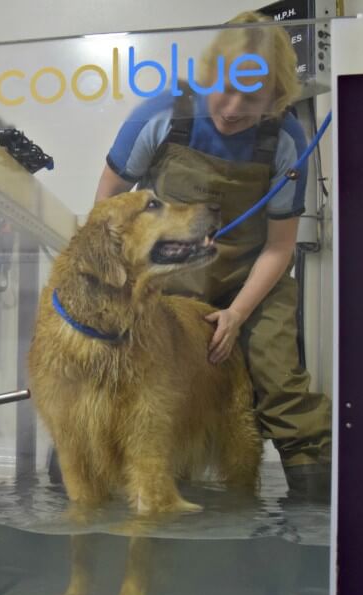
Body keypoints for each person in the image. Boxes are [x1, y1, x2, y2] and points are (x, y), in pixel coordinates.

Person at [95, 11, 331, 498]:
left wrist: (238, 314)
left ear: (277, 97)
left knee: (279, 376)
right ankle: (84, 476)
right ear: (210, 73)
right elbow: (109, 209)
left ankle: (311, 524)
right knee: (126, 366)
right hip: (167, 281)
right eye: (225, 87)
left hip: (250, 282)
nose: (231, 107)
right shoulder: (163, 113)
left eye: (253, 97)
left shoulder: (286, 139)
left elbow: (279, 246)